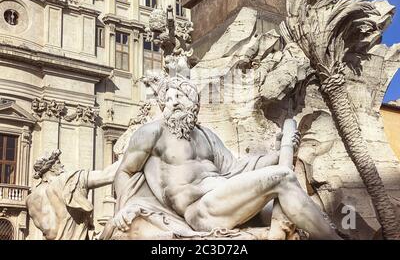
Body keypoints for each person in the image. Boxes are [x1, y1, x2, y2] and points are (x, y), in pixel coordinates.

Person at [106, 76, 340, 240]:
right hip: (200, 210)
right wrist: (126, 208)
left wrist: (279, 154)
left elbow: (237, 168)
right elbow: (125, 171)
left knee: (290, 212)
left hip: (224, 198)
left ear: (194, 103)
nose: (173, 102)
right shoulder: (153, 132)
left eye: (180, 96)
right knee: (283, 177)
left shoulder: (207, 135)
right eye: (167, 99)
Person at [26, 149, 120, 240]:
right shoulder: (67, 181)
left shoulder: (30, 199)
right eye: (58, 162)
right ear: (51, 167)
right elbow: (108, 175)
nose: (62, 165)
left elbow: (50, 233)